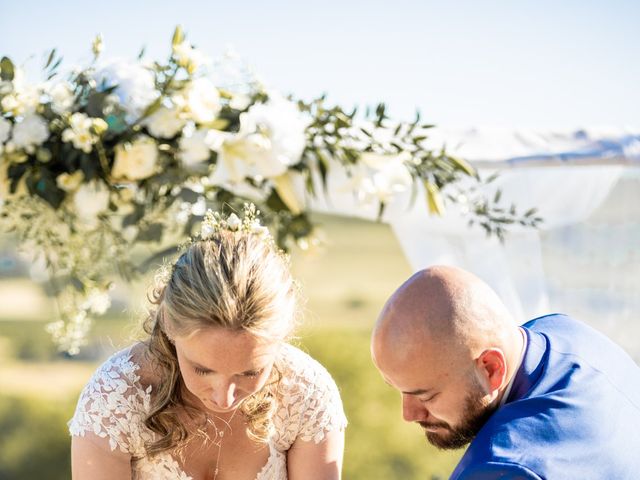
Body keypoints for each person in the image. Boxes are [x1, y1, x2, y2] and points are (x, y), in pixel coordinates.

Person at [69, 205, 347, 480]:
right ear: (168, 322)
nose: (223, 398)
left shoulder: (306, 394)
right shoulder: (114, 400)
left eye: (250, 372)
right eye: (202, 369)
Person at [371, 265, 640, 479]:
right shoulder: (568, 333)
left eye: (426, 396)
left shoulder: (503, 468)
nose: (409, 414)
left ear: (491, 368)